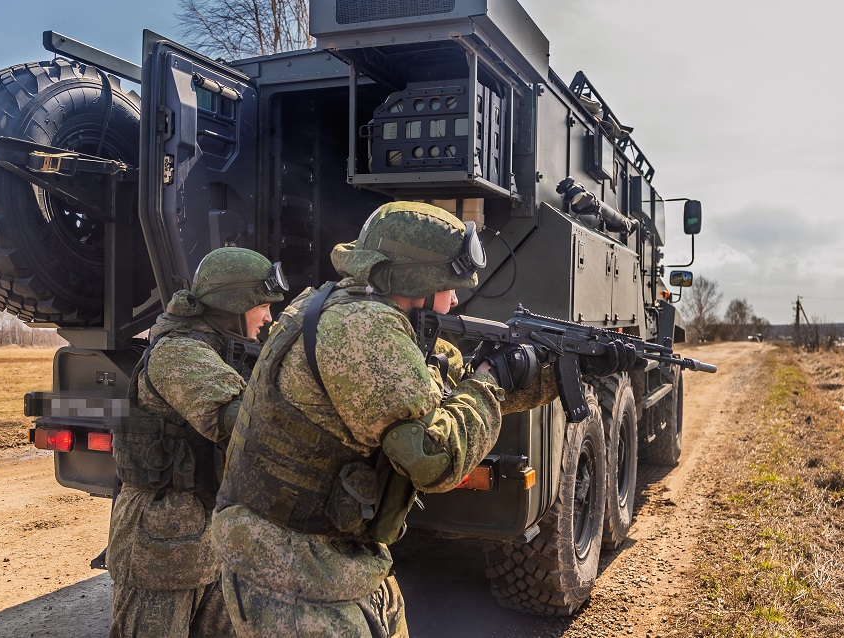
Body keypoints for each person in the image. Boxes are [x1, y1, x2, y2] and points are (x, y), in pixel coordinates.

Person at [211, 202, 639, 637]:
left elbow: (453, 389)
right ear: (417, 280)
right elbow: (436, 458)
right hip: (287, 568)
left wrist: (565, 371)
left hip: (329, 555)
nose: (454, 300)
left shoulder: (354, 309)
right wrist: (490, 382)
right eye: (448, 286)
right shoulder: (361, 328)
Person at [108, 246, 287, 638]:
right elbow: (243, 420)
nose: (268, 317)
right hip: (160, 546)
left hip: (210, 542)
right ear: (233, 305)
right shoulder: (179, 352)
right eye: (262, 305)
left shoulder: (223, 350)